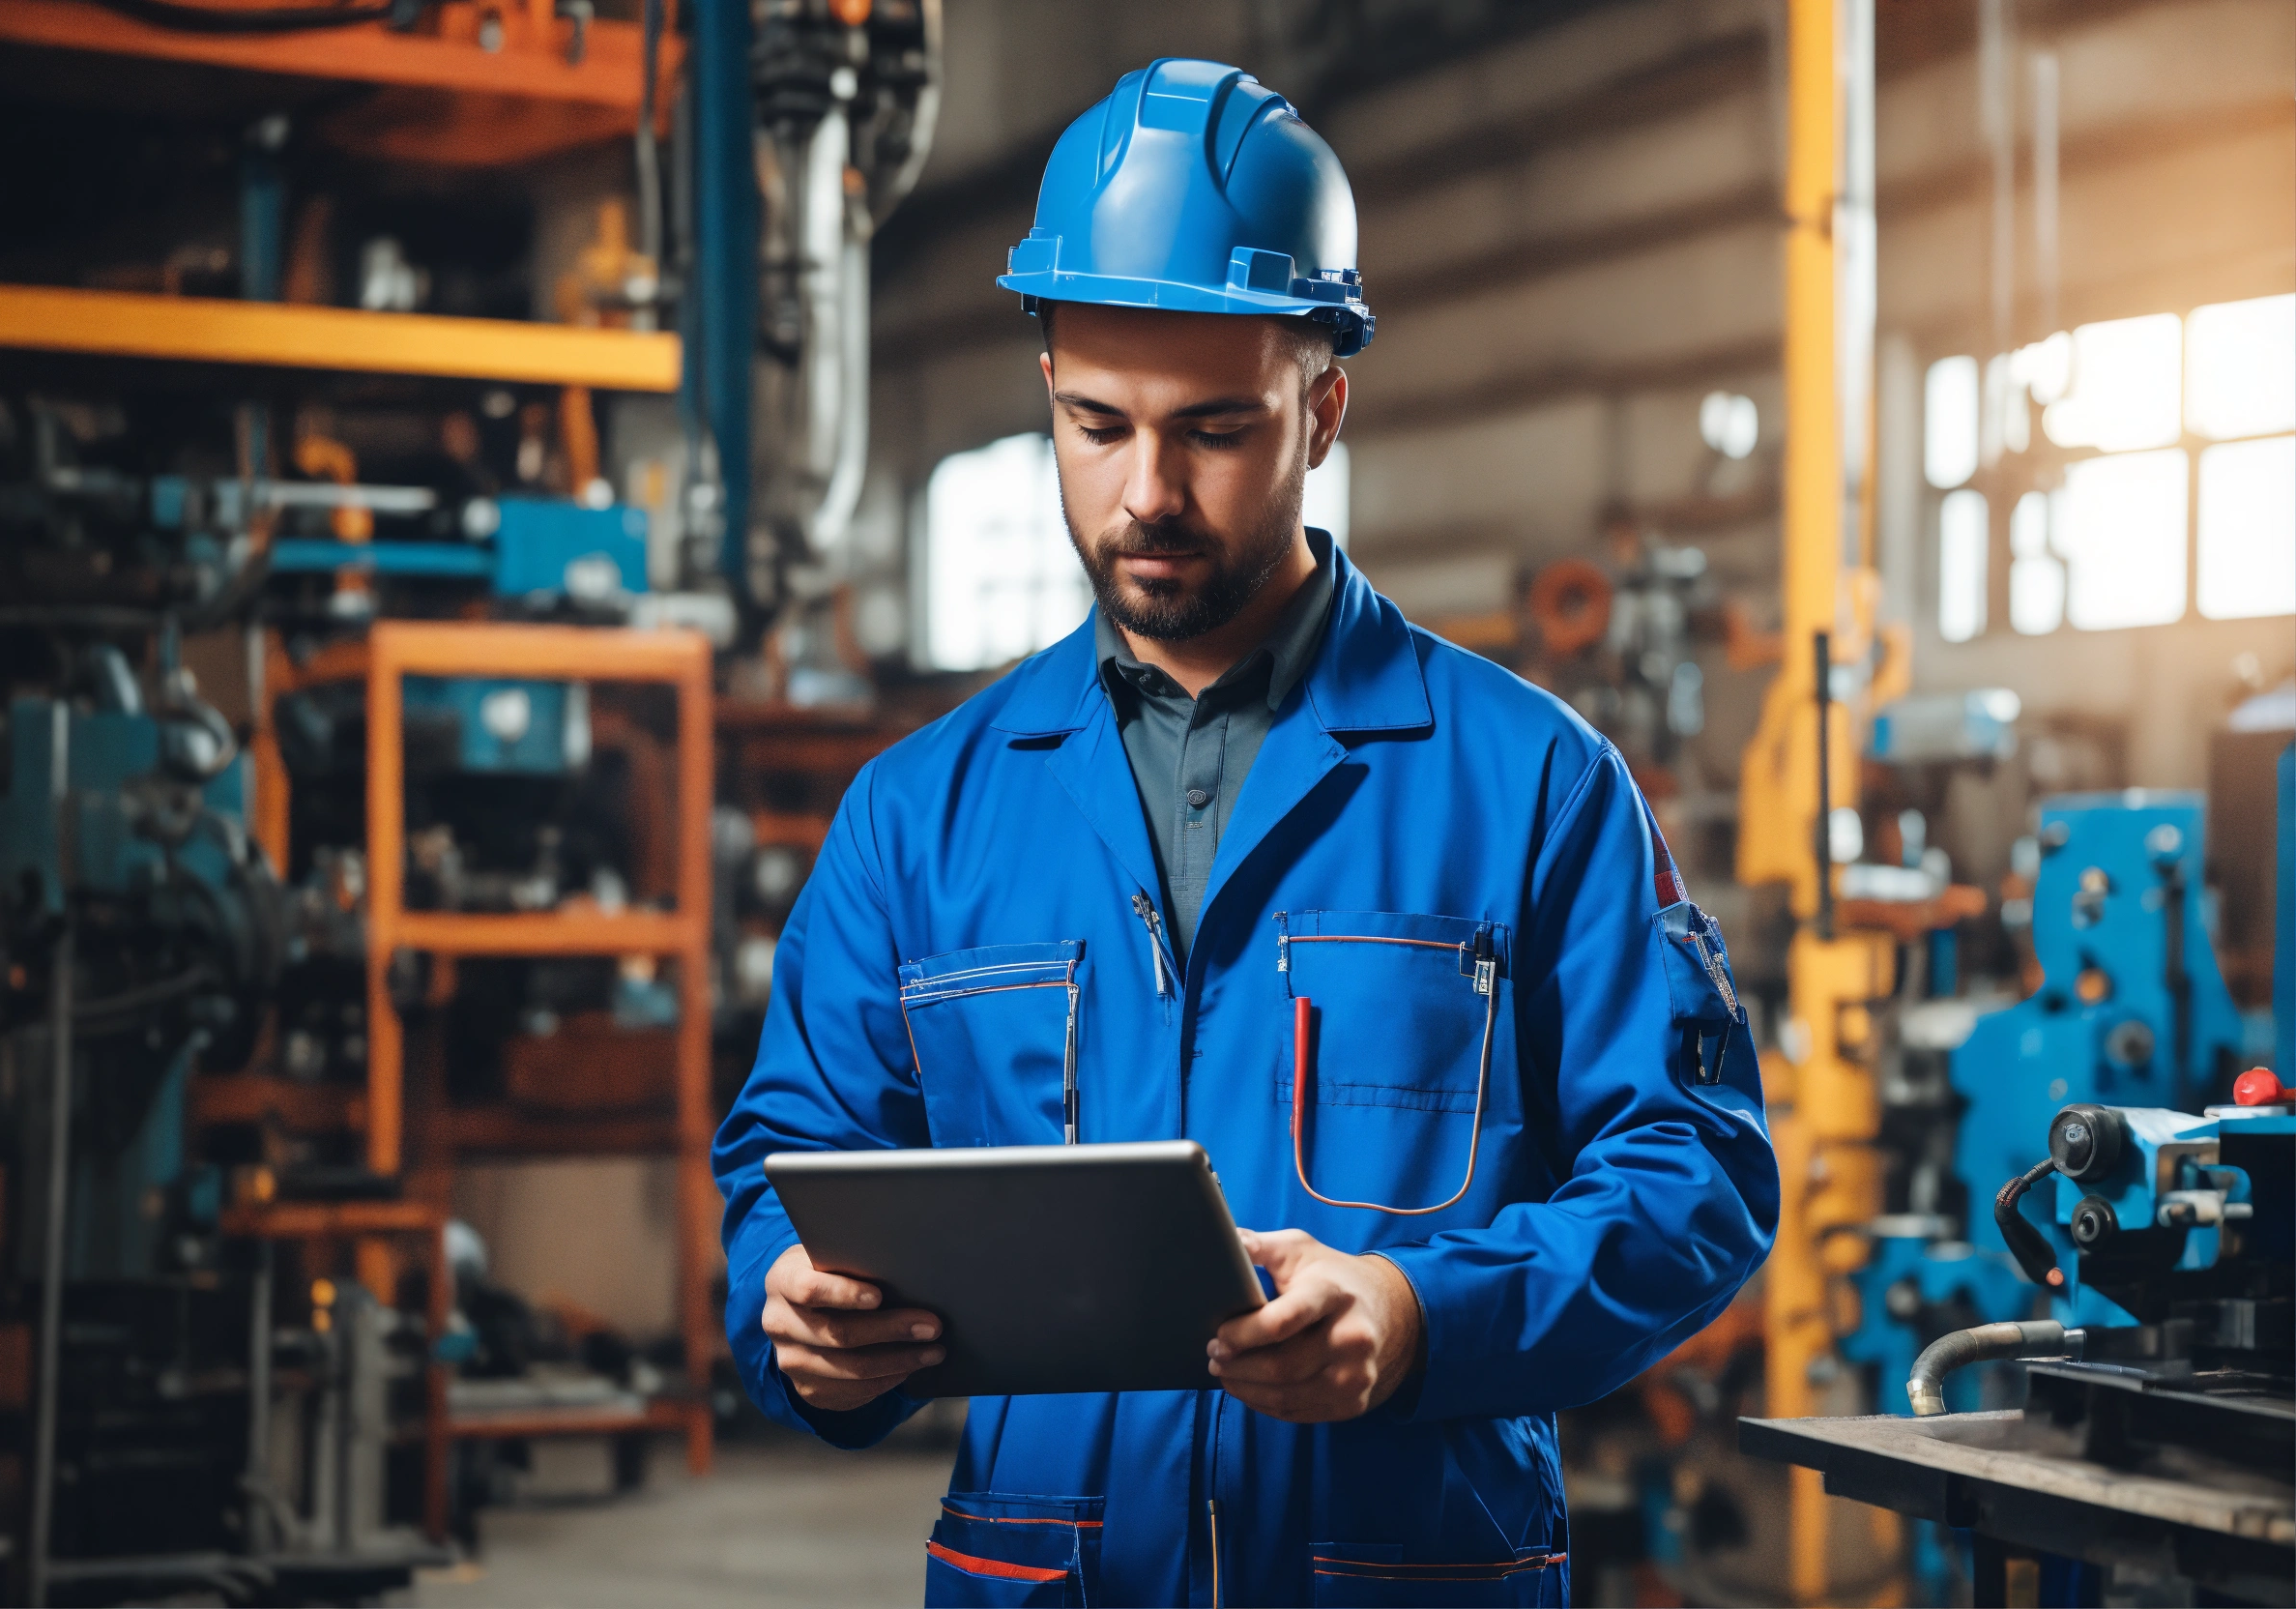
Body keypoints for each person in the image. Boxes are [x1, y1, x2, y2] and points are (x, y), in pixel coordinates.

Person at [715, 57, 1778, 1608]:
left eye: (1214, 429)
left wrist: (1425, 1317)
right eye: (1097, 424)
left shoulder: (1532, 783)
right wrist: (791, 1310)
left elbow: (1698, 1169)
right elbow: (786, 1166)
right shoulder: (917, 817)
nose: (1146, 492)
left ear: (1322, 406)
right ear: (1050, 392)